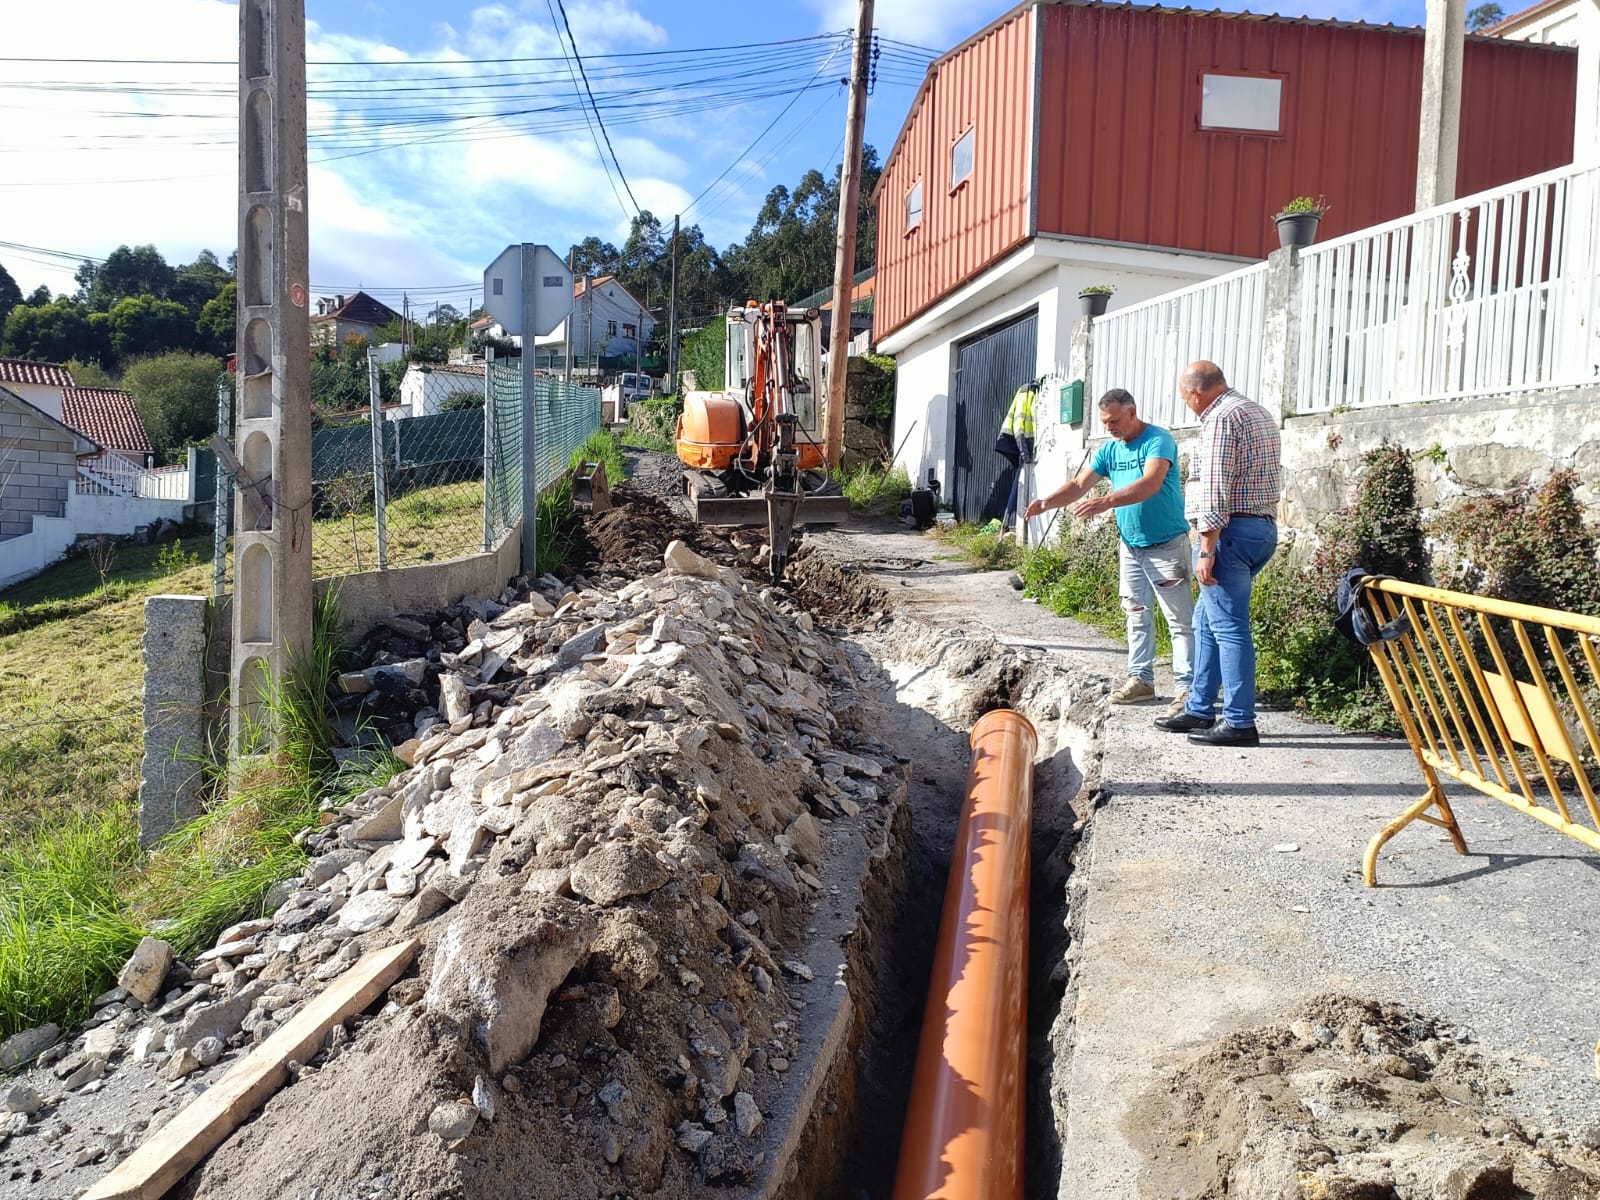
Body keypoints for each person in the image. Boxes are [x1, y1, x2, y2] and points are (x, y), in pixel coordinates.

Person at [1024, 388, 1193, 715]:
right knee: (1135, 612)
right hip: (1130, 545)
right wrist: (1046, 503)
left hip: (1166, 544)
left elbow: (1151, 483)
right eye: (1104, 422)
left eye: (1114, 420)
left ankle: (1187, 687)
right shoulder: (1110, 449)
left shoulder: (1159, 440)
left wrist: (1107, 501)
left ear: (1132, 412)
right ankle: (1141, 680)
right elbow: (1078, 486)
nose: (1109, 427)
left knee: (1179, 620)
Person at [1154, 361, 1282, 747]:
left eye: (1184, 398)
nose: (1187, 405)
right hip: (1259, 529)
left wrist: (1207, 548)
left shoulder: (1221, 419)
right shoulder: (1255, 411)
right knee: (1206, 620)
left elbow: (1215, 487)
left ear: (1195, 393)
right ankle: (1199, 707)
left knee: (1228, 628)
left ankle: (1241, 722)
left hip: (1228, 535)